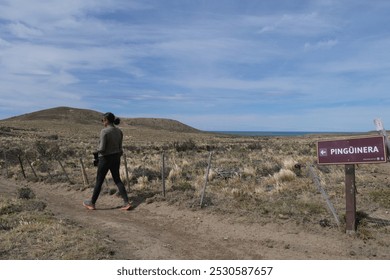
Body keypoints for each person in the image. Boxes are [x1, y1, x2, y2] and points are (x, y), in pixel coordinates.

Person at [83, 112, 132, 211]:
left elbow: (102, 148)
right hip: (116, 158)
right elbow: (120, 148)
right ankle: (126, 202)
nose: (102, 122)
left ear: (106, 120)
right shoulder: (119, 132)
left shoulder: (104, 131)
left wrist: (95, 151)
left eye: (102, 120)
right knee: (117, 179)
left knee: (99, 181)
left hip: (105, 158)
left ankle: (92, 203)